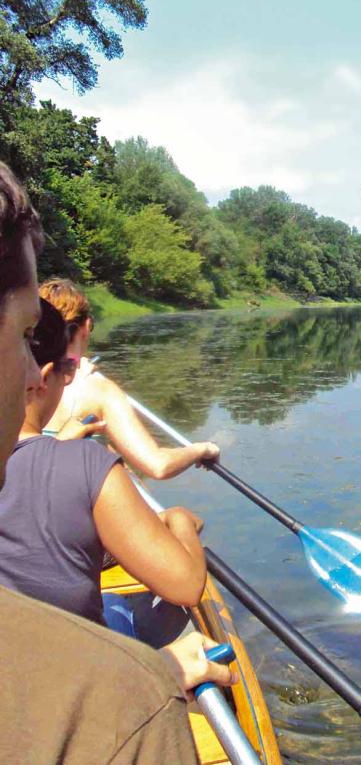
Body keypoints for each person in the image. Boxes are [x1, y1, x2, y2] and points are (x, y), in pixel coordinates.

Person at [0, 161, 236, 763]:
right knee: (137, 625)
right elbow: (156, 473)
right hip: (85, 664)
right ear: (63, 364)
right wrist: (181, 518)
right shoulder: (89, 436)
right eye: (22, 337)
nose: (32, 374)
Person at [0, 296, 207, 639]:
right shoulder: (87, 463)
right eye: (67, 373)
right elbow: (186, 587)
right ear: (42, 377)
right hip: (76, 666)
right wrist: (180, 521)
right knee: (124, 614)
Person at [41, 278, 220, 480]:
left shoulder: (22, 380)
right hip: (77, 503)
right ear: (87, 326)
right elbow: (158, 466)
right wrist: (202, 449)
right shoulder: (98, 390)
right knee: (177, 513)